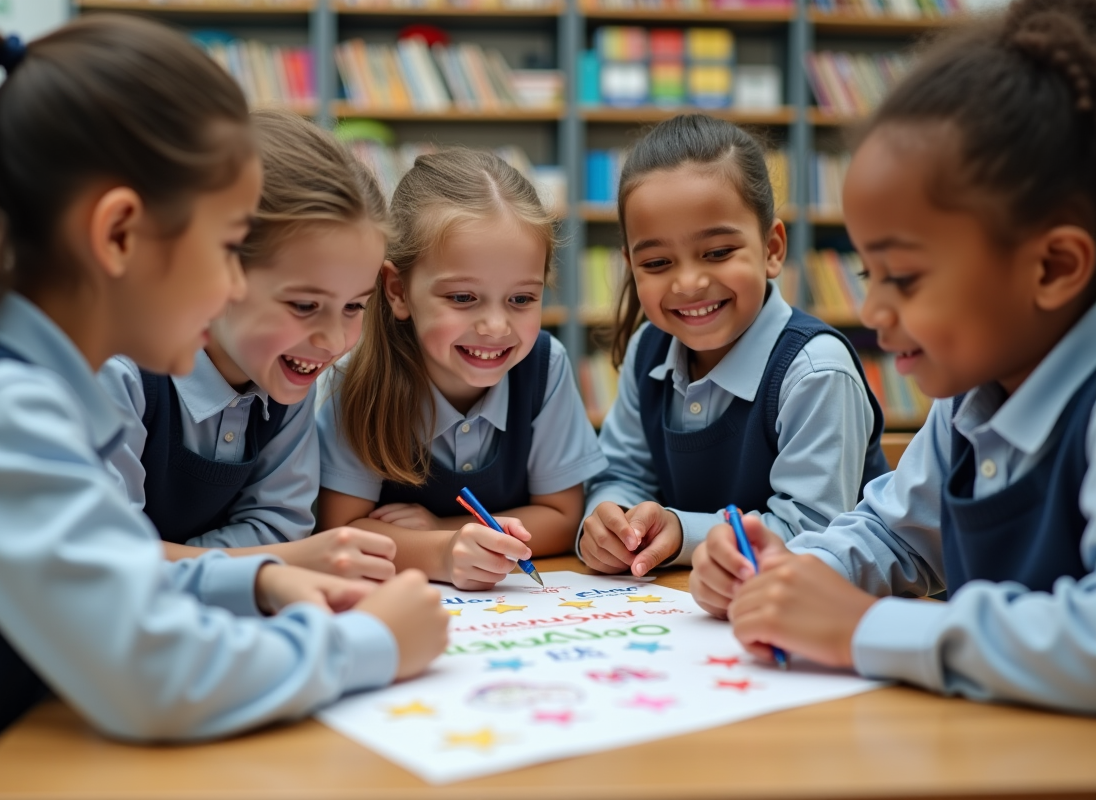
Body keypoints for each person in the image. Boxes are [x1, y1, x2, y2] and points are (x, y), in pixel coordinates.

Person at [0, 19, 447, 799]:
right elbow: (150, 671)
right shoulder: (0, 412)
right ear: (119, 234)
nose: (230, 287)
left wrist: (252, 584)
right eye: (227, 247)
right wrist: (367, 645)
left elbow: (108, 576)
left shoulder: (33, 385)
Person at [691, 0, 1096, 713]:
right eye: (867, 274)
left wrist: (865, 628)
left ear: (1054, 267)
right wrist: (789, 572)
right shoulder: (968, 400)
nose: (873, 312)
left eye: (902, 277)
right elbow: (895, 533)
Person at [579, 113, 887, 578]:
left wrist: (682, 532)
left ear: (772, 249)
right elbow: (621, 472)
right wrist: (609, 519)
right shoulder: (649, 348)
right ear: (631, 267)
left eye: (718, 253)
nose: (689, 283)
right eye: (658, 262)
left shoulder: (815, 371)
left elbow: (813, 532)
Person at [99, 108, 397, 581]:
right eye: (303, 305)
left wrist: (183, 565)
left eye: (354, 307)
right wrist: (276, 569)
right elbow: (108, 563)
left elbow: (278, 528)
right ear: (215, 273)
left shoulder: (286, 372)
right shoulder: (120, 370)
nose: (334, 341)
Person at [317, 149, 607, 590]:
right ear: (397, 291)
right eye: (463, 298)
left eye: (522, 299)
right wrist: (443, 552)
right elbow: (342, 531)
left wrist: (441, 529)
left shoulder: (545, 368)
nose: (496, 326)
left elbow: (564, 518)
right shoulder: (355, 377)